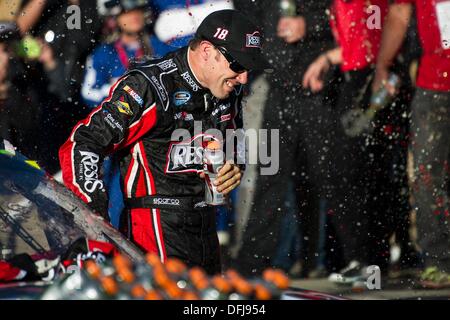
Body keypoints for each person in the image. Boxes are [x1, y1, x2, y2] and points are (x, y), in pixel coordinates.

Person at [59, 9, 272, 274]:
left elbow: (233, 137)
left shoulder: (229, 89)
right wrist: (93, 212)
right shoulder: (149, 86)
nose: (244, 78)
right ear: (207, 50)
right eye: (238, 65)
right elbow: (83, 142)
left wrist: (234, 164)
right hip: (153, 234)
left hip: (205, 229)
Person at [234, 0, 334, 277]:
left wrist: (310, 25)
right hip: (277, 88)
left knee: (323, 177)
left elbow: (351, 18)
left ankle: (329, 260)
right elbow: (245, 21)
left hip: (321, 87)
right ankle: (251, 264)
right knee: (269, 174)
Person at [373, 0, 450, 288]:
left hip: (434, 89)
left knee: (429, 176)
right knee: (428, 177)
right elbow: (400, 12)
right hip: (433, 86)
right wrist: (382, 66)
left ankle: (440, 263)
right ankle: (440, 262)